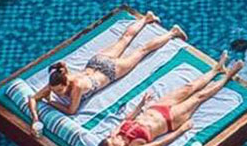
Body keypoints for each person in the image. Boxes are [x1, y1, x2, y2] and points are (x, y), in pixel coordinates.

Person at [27, 11, 185, 128]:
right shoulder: (59, 78)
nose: (57, 93)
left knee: (142, 51)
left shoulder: (76, 87)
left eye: (60, 91)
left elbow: (71, 111)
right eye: (56, 91)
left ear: (66, 82)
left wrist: (51, 102)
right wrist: (35, 118)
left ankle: (173, 32)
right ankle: (146, 18)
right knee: (124, 39)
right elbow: (33, 98)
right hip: (96, 62)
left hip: (109, 71)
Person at [93, 53, 244, 146]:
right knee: (199, 97)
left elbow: (128, 119)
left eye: (111, 139)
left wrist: (141, 104)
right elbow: (161, 144)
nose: (114, 139)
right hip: (170, 120)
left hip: (156, 107)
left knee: (188, 88)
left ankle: (215, 70)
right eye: (114, 143)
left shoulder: (115, 134)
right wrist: (182, 130)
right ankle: (228, 76)